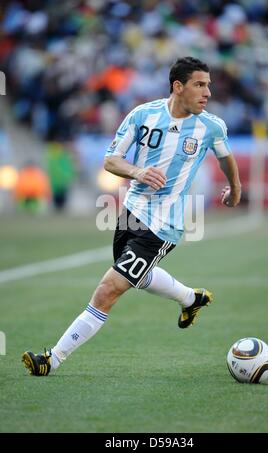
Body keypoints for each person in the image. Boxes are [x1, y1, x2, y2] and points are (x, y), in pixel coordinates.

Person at [22, 57, 241, 376]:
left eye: (208, 84)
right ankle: (190, 299)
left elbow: (227, 158)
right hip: (131, 214)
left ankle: (51, 359)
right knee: (137, 276)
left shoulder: (211, 126)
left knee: (108, 288)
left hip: (163, 226)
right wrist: (138, 171)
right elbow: (111, 160)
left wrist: (235, 189)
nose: (207, 91)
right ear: (178, 87)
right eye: (199, 84)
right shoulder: (143, 115)